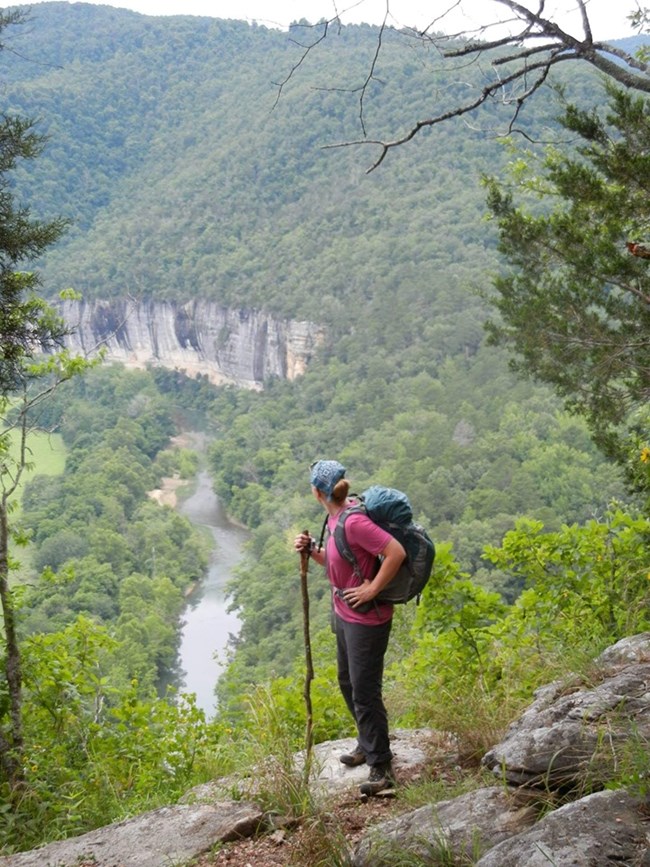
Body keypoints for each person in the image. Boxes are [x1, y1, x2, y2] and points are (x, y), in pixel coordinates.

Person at [294, 459, 406, 796]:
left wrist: (372, 588)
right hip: (345, 613)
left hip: (367, 619)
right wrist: (313, 550)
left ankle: (381, 766)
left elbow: (395, 552)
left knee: (365, 691)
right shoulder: (335, 517)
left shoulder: (354, 520)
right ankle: (366, 743)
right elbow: (339, 558)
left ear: (317, 492)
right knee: (348, 682)